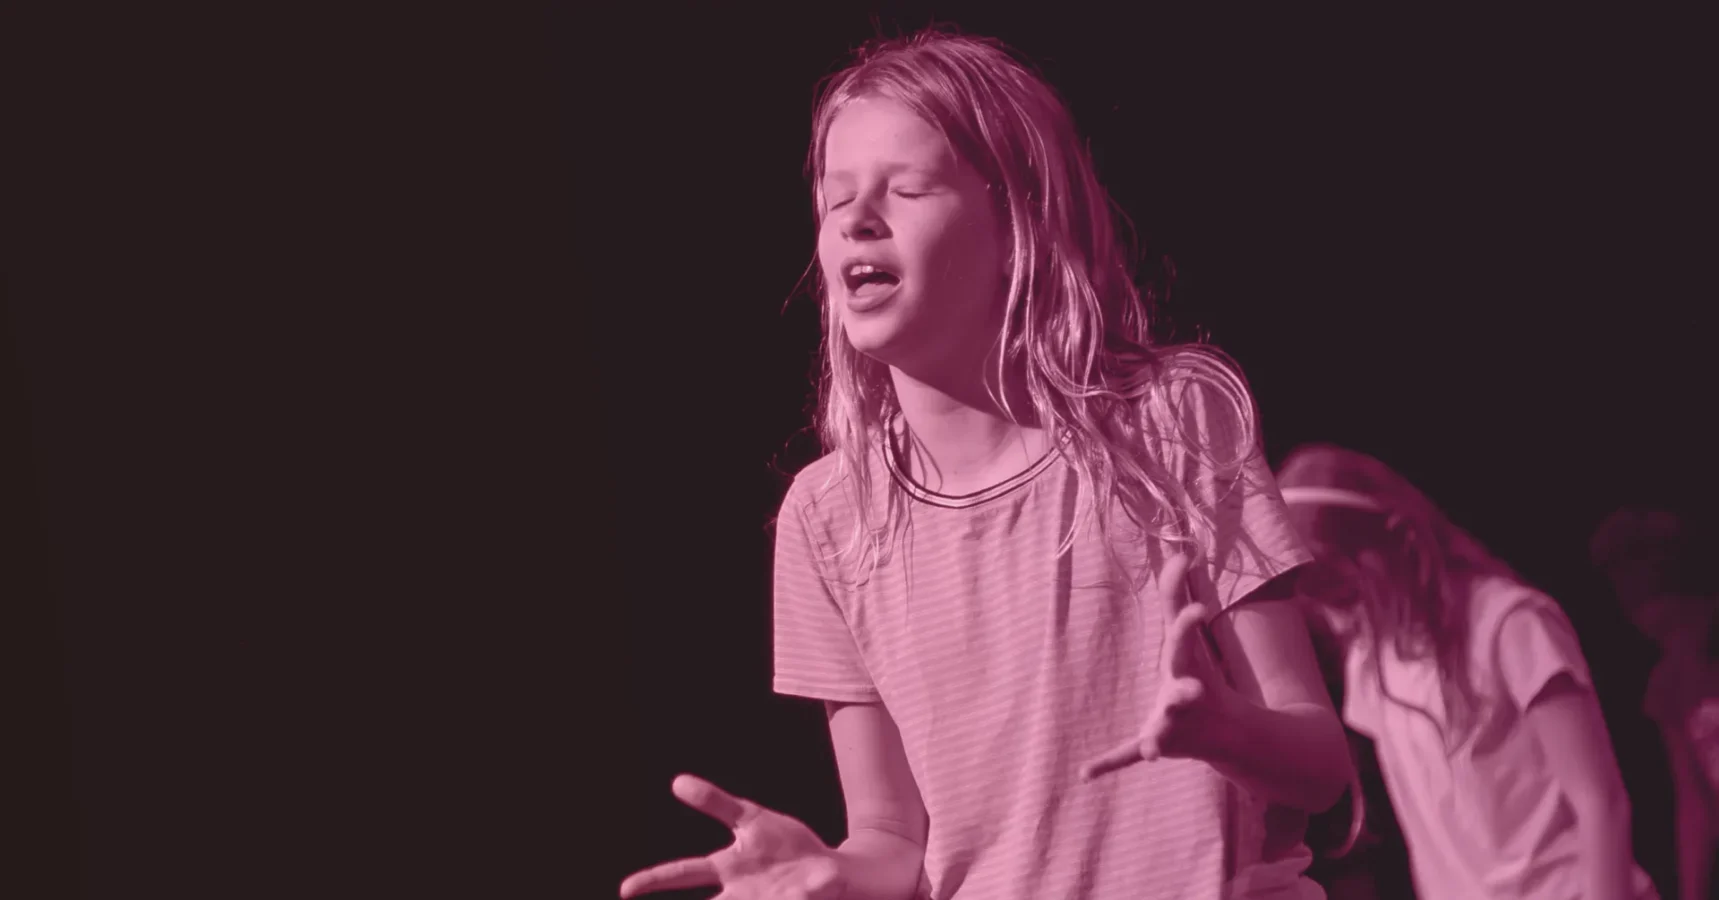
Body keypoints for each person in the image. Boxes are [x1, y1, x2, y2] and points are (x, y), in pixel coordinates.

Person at [620, 27, 1351, 900]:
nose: (857, 217)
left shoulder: (1170, 420)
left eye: (909, 187)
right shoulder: (826, 515)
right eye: (833, 197)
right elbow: (890, 838)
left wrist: (1223, 730)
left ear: (1019, 223)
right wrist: (830, 873)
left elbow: (1319, 767)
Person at [1277, 444, 1658, 900]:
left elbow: (1602, 803)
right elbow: (1436, 835)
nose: (1337, 617)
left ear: (1397, 538)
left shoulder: (1508, 623)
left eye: (1341, 589)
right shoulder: (1370, 659)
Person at [1591, 507, 1719, 900]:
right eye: (1654, 635)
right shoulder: (1670, 683)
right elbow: (1695, 802)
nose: (1670, 644)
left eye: (1673, 625)